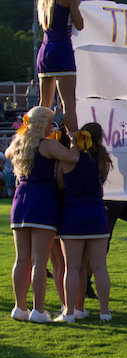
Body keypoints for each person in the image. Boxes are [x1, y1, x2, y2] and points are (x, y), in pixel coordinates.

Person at [5, 106, 79, 322]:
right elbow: (72, 158)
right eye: (50, 122)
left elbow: (9, 153)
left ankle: (20, 308)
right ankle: (38, 310)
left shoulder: (18, 144)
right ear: (42, 123)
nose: (53, 126)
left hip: (20, 201)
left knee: (21, 259)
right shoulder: (47, 145)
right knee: (39, 261)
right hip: (42, 202)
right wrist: (74, 140)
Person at [55, 123, 112, 322]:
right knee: (100, 267)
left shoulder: (67, 159)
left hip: (72, 215)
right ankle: (105, 312)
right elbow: (100, 184)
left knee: (71, 267)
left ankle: (69, 313)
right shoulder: (103, 159)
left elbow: (60, 185)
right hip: (96, 213)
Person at [36, 0, 84, 133]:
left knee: (44, 103)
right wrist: (75, 4)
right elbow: (79, 25)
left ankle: (37, 139)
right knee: (68, 103)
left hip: (44, 51)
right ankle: (74, 142)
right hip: (62, 48)